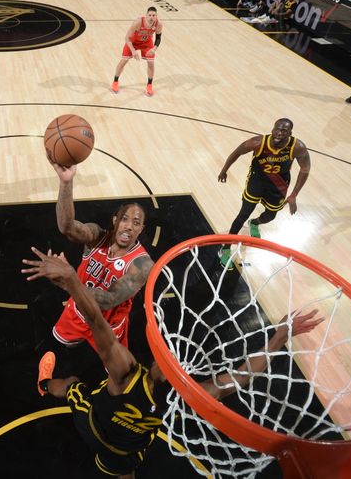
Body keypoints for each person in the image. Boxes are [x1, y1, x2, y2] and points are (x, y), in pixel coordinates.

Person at [23, 247, 323, 479]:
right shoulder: (185, 394)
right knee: (125, 469)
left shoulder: (126, 373)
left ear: (157, 358)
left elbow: (97, 323)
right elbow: (241, 377)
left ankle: (44, 384)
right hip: (126, 450)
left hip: (91, 422)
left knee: (74, 384)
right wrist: (279, 337)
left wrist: (74, 281)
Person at [50, 162, 153, 351]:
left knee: (116, 376)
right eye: (124, 219)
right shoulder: (96, 236)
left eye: (136, 223)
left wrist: (70, 281)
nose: (129, 226)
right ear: (115, 221)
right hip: (78, 314)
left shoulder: (142, 264)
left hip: (107, 328)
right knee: (63, 354)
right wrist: (66, 182)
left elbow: (110, 300)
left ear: (141, 229)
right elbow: (67, 226)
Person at [217, 118, 310, 267]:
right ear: (272, 129)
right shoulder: (257, 142)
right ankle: (226, 248)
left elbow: (305, 169)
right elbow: (237, 152)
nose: (279, 133)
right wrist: (224, 170)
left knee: (270, 216)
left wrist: (294, 195)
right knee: (243, 214)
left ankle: (255, 223)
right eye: (277, 129)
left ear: (290, 133)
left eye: (284, 131)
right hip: (257, 181)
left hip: (279, 185)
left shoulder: (297, 147)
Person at [110, 6, 163, 96]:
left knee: (151, 63)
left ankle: (149, 85)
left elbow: (158, 38)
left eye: (153, 15)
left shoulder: (159, 24)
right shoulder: (138, 22)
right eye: (149, 15)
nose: (151, 17)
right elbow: (127, 38)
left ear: (156, 16)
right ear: (146, 15)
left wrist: (154, 49)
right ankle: (115, 81)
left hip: (146, 43)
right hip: (133, 42)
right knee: (124, 61)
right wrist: (133, 51)